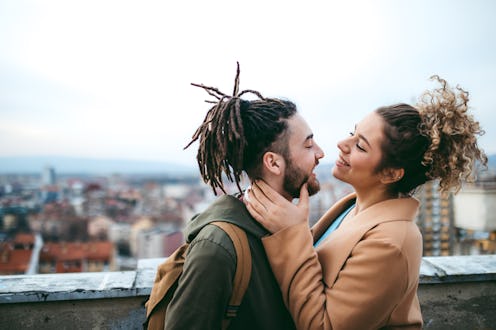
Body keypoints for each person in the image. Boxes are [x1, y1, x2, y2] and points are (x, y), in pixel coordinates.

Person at [244, 75, 488, 330]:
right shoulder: (352, 208)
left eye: (360, 146)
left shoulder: (392, 242)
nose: (342, 144)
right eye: (352, 133)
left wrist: (291, 233)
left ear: (391, 174)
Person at [163, 63, 324, 329]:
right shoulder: (217, 248)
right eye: (308, 144)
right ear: (273, 163)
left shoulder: (286, 227)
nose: (320, 153)